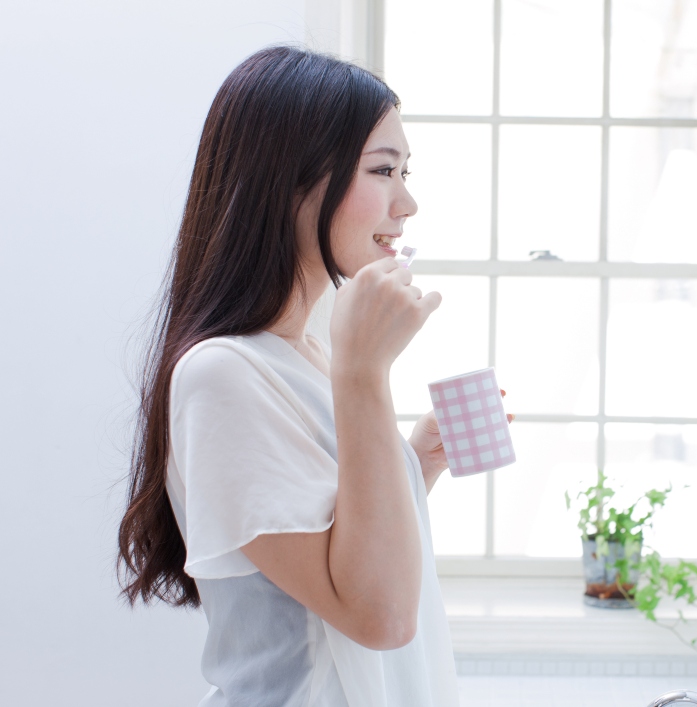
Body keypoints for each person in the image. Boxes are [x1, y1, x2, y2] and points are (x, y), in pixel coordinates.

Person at [117, 45, 469, 706]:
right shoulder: (222, 374)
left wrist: (414, 463)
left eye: (404, 171)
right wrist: (365, 374)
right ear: (291, 180)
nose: (408, 203)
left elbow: (336, 546)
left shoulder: (304, 350)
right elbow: (380, 617)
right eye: (384, 170)